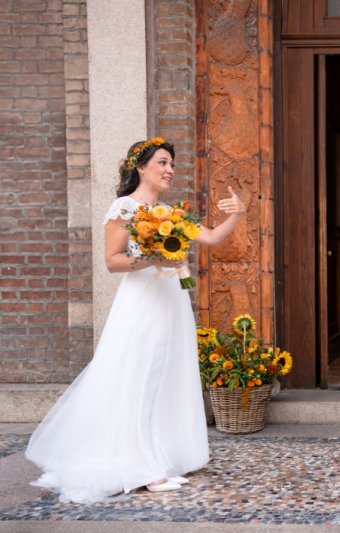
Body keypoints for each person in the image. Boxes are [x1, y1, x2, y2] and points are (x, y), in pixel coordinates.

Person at [25, 137, 246, 503]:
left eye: (172, 163)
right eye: (162, 162)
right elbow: (112, 261)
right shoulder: (124, 208)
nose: (169, 169)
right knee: (138, 373)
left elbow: (209, 238)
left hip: (171, 301)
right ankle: (139, 465)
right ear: (140, 167)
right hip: (142, 301)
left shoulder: (172, 211)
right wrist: (156, 259)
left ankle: (161, 455)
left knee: (165, 374)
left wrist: (236, 213)